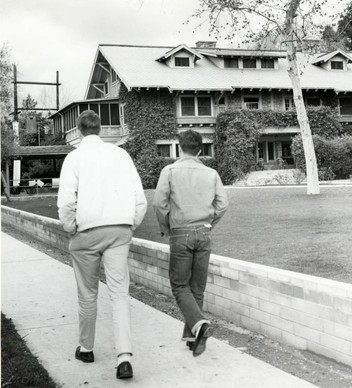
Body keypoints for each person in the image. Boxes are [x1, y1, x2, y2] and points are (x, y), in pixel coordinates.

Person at [57, 110, 147, 380]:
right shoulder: (121, 155)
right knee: (120, 293)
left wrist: (71, 228)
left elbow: (66, 202)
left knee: (87, 294)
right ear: (101, 129)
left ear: (79, 130)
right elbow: (139, 198)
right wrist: (129, 224)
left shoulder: (74, 158)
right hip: (119, 230)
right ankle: (124, 357)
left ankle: (86, 347)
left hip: (87, 231)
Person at [153, 129, 228, 357]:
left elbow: (159, 204)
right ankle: (191, 336)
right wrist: (208, 224)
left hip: (181, 232)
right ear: (200, 149)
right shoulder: (211, 173)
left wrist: (167, 226)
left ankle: (200, 324)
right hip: (204, 232)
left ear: (179, 147)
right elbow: (222, 205)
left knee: (179, 285)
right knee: (196, 287)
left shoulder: (170, 171)